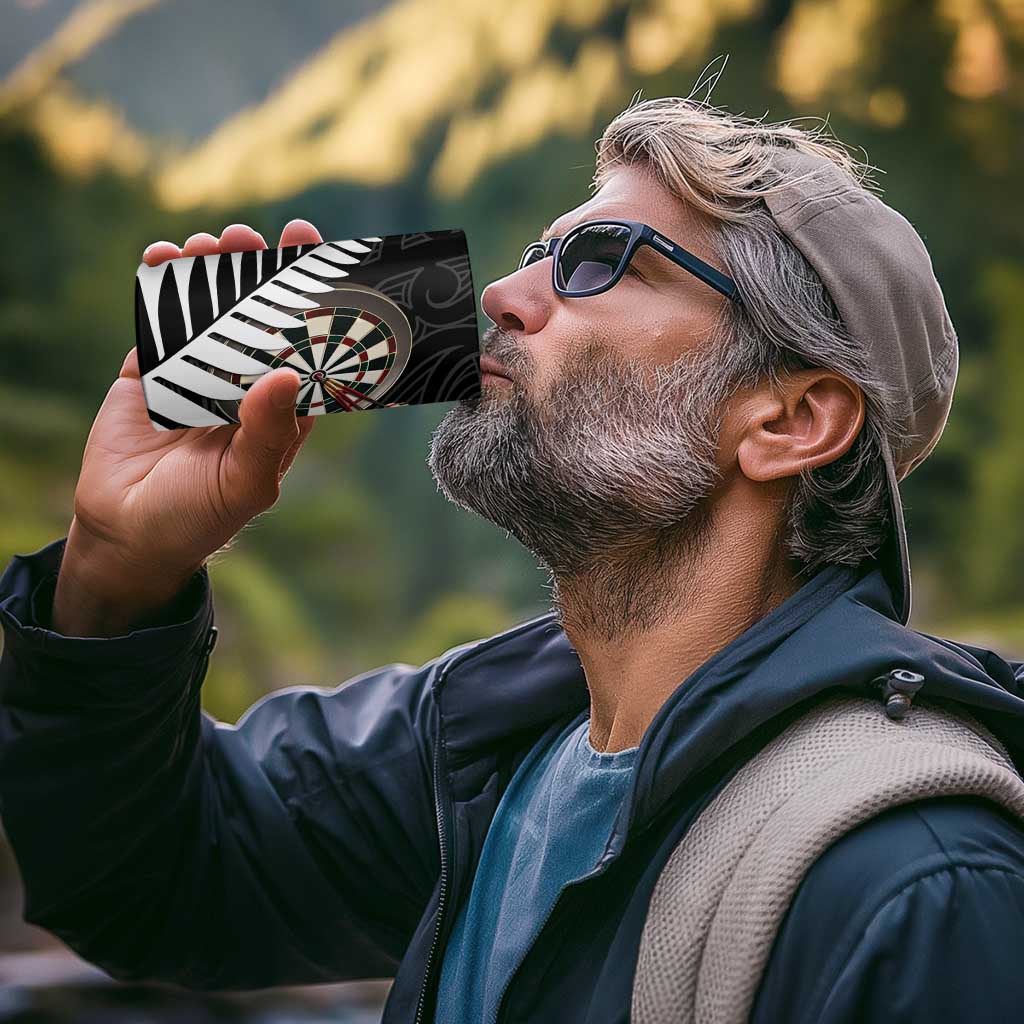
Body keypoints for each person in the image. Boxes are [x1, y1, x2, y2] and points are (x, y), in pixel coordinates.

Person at [2, 94, 1024, 1024]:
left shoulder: (918, 884)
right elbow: (149, 880)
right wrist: (116, 571)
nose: (500, 291)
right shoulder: (480, 747)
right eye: (540, 251)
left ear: (790, 419)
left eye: (599, 261)